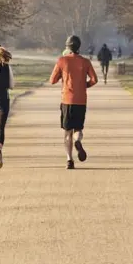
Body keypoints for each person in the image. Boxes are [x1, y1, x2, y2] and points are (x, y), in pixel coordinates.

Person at [50, 35, 98, 169]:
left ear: (67, 47)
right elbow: (94, 79)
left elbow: (52, 80)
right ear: (78, 47)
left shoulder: (62, 60)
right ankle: (78, 141)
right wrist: (84, 85)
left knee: (67, 132)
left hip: (66, 100)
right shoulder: (85, 62)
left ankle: (69, 160)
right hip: (81, 100)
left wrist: (62, 77)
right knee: (78, 129)